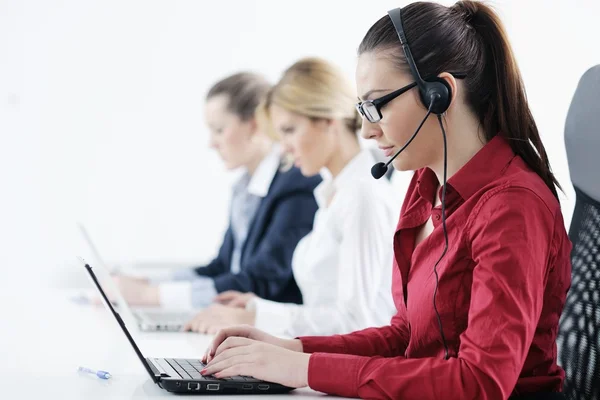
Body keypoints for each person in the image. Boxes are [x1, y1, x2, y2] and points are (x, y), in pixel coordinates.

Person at [196, 2, 572, 399]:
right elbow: (406, 335)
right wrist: (293, 349)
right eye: (362, 109)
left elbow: (479, 382)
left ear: (439, 94)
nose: (367, 130)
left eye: (378, 105)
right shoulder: (426, 185)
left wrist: (307, 369)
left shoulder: (513, 206)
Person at [183, 57, 398, 337]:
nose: (283, 148)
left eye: (288, 131)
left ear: (327, 121)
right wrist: (258, 307)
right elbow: (326, 307)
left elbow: (358, 323)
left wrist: (256, 316)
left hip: (340, 371)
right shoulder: (332, 194)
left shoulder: (361, 197)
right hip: (320, 360)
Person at [113, 72, 321, 309]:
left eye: (219, 130)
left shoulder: (297, 185)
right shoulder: (245, 189)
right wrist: (148, 283)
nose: (212, 143)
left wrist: (151, 296)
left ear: (255, 124)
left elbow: (263, 280)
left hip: (275, 333)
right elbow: (222, 267)